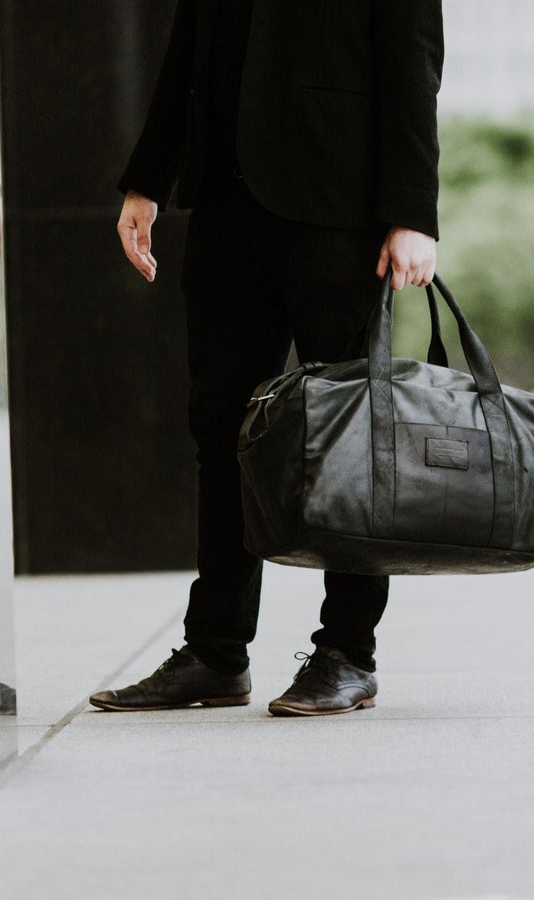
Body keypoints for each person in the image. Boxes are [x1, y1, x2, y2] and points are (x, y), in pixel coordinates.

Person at [89, 0, 443, 716]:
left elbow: (413, 63)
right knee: (220, 429)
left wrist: (413, 213)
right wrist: (147, 180)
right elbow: (187, 52)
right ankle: (216, 651)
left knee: (350, 439)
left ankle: (348, 651)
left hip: (339, 212)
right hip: (226, 207)